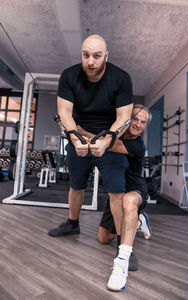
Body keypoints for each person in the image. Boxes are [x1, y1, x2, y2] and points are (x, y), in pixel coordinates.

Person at [48, 34, 133, 239]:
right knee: (76, 185)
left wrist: (106, 142)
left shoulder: (121, 78)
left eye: (97, 56)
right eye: (86, 55)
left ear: (106, 56)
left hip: (108, 140)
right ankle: (72, 223)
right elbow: (65, 113)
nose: (91, 62)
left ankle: (123, 242)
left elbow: (123, 118)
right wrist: (75, 139)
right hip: (79, 136)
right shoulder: (69, 76)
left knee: (116, 192)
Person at [103, 104, 152, 292]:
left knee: (129, 202)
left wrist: (84, 134)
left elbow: (110, 145)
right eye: (135, 118)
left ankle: (121, 263)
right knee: (104, 238)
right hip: (116, 193)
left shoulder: (137, 145)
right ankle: (138, 221)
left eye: (143, 122)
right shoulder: (116, 133)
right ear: (126, 118)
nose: (138, 124)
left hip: (135, 191)